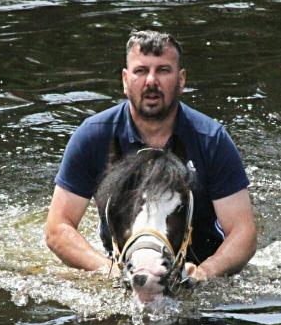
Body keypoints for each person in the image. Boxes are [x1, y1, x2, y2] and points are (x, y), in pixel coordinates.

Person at [45, 29, 257, 283]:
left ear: (181, 80)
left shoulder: (211, 140)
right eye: (141, 71)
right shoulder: (92, 137)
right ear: (125, 80)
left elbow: (243, 233)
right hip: (124, 265)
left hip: (196, 264)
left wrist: (204, 273)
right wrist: (108, 270)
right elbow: (58, 228)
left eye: (163, 70)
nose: (151, 81)